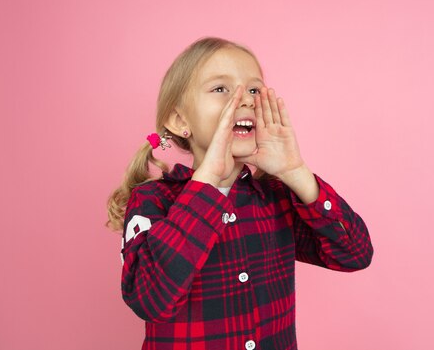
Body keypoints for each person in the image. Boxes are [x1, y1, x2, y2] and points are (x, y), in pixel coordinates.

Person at [105, 36, 373, 350]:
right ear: (180, 121)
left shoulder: (274, 196)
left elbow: (354, 253)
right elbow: (151, 299)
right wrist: (209, 185)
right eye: (221, 89)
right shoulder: (153, 200)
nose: (244, 99)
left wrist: (295, 172)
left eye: (254, 90)